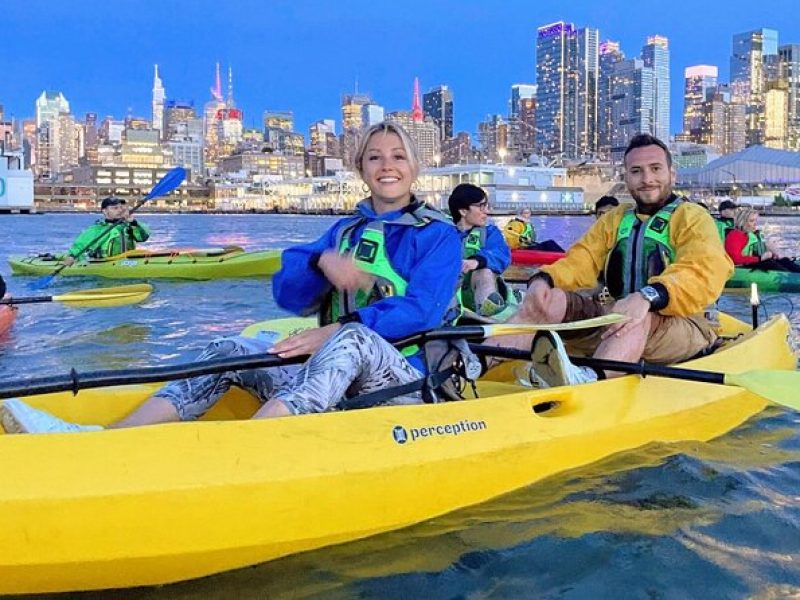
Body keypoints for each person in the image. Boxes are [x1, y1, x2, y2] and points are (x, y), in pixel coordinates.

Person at [1, 122, 464, 434]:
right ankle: (107, 438)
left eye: (399, 157)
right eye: (375, 158)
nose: (388, 166)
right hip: (335, 381)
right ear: (360, 168)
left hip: (407, 386)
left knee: (353, 339)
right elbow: (288, 294)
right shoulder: (343, 232)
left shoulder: (439, 236)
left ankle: (249, 450)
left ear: (414, 168)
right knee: (230, 348)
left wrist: (332, 332)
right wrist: (321, 262)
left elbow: (420, 309)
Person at [489, 133, 733, 387]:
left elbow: (703, 269)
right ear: (626, 177)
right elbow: (581, 260)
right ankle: (474, 366)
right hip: (615, 316)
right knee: (549, 299)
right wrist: (544, 279)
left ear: (672, 174)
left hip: (684, 324)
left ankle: (590, 383)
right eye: (637, 171)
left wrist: (647, 297)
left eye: (656, 169)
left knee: (636, 317)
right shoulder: (615, 219)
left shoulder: (693, 217)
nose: (647, 179)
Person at [449, 183, 515, 318]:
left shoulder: (490, 233)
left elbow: (501, 254)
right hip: (450, 290)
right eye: (481, 206)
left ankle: (488, 310)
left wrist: (476, 261)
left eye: (486, 206)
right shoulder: (442, 234)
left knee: (483, 271)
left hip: (476, 290)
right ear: (463, 211)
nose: (486, 211)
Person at [62, 197, 151, 266]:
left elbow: (143, 237)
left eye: (120, 207)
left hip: (127, 261)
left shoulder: (128, 225)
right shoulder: (97, 229)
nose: (120, 210)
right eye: (115, 208)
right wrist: (72, 256)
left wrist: (134, 223)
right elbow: (80, 244)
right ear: (105, 211)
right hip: (104, 264)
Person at [724, 207, 800, 272]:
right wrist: (760, 258)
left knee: (784, 261)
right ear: (742, 222)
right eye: (751, 221)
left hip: (750, 263)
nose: (755, 224)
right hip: (740, 268)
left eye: (755, 220)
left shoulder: (747, 234)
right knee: (769, 263)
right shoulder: (735, 235)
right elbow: (734, 259)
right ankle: (790, 278)